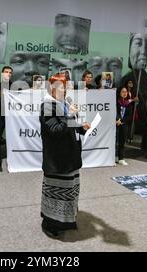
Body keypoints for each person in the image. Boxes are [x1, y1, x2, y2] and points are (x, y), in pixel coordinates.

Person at [39, 73, 90, 238]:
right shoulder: (47, 106)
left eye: (65, 86)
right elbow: (55, 130)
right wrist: (69, 115)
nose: (64, 89)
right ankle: (50, 224)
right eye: (61, 86)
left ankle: (66, 220)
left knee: (70, 190)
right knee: (56, 192)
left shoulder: (65, 103)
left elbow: (70, 126)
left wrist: (82, 127)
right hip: (57, 158)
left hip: (71, 156)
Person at [116, 87, 133, 166]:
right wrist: (117, 119)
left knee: (122, 142)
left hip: (124, 124)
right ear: (119, 92)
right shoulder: (116, 101)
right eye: (123, 91)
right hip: (115, 123)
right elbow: (114, 111)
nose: (124, 93)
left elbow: (130, 115)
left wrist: (122, 121)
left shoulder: (129, 103)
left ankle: (121, 158)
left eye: (126, 92)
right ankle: (111, 158)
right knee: (114, 141)